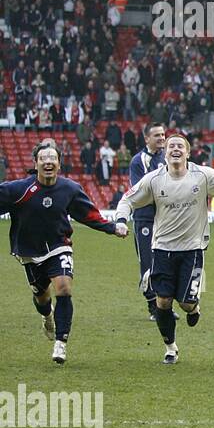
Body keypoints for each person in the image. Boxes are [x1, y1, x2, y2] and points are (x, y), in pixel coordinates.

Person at [115, 134, 214, 364]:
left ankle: (194, 309)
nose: (175, 149)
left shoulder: (202, 175)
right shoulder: (154, 179)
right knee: (162, 301)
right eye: (171, 145)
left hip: (192, 250)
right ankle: (170, 347)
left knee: (185, 303)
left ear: (188, 152)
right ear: (165, 153)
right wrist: (122, 220)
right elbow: (128, 199)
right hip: (162, 249)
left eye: (180, 146)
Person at [0, 144, 127, 364]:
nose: (48, 162)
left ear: (59, 163)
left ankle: (61, 343)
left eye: (52, 158)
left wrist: (112, 227)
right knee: (41, 296)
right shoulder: (19, 190)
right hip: (30, 252)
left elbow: (87, 214)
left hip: (60, 246)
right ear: (35, 163)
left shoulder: (70, 188)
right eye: (43, 158)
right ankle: (47, 315)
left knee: (64, 287)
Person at [128, 123, 168, 320]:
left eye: (163, 134)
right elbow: (140, 190)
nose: (162, 138)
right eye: (157, 135)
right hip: (144, 218)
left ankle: (164, 305)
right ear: (146, 139)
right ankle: (153, 306)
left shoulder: (167, 158)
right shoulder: (138, 161)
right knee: (148, 262)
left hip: (165, 219)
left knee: (165, 260)